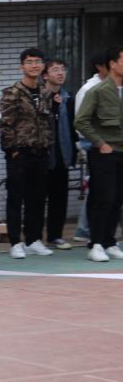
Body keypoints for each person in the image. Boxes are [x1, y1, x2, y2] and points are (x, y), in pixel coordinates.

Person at [0, 47, 54, 259]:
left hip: (41, 152)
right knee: (16, 198)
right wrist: (12, 151)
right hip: (19, 153)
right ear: (21, 66)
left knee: (37, 198)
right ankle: (15, 242)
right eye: (29, 62)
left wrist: (48, 146)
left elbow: (47, 122)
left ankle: (34, 239)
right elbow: (6, 125)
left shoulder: (46, 93)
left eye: (38, 61)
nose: (34, 65)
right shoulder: (12, 92)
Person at [75, 45, 123, 263]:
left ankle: (109, 242)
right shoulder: (97, 91)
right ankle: (95, 244)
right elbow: (81, 121)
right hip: (104, 153)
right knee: (104, 198)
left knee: (118, 199)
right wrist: (99, 142)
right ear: (112, 64)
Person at [73, 50, 112, 243]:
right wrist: (95, 142)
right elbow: (81, 121)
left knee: (105, 188)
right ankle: (86, 230)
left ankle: (93, 231)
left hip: (111, 143)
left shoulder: (113, 86)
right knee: (99, 188)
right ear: (100, 66)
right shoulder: (89, 89)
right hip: (94, 143)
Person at [41, 59, 76, 250]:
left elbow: (72, 126)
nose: (61, 73)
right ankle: (34, 237)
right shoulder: (39, 97)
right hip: (43, 155)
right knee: (38, 199)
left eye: (63, 69)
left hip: (62, 155)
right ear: (45, 75)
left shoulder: (68, 98)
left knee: (60, 199)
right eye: (55, 70)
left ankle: (55, 236)